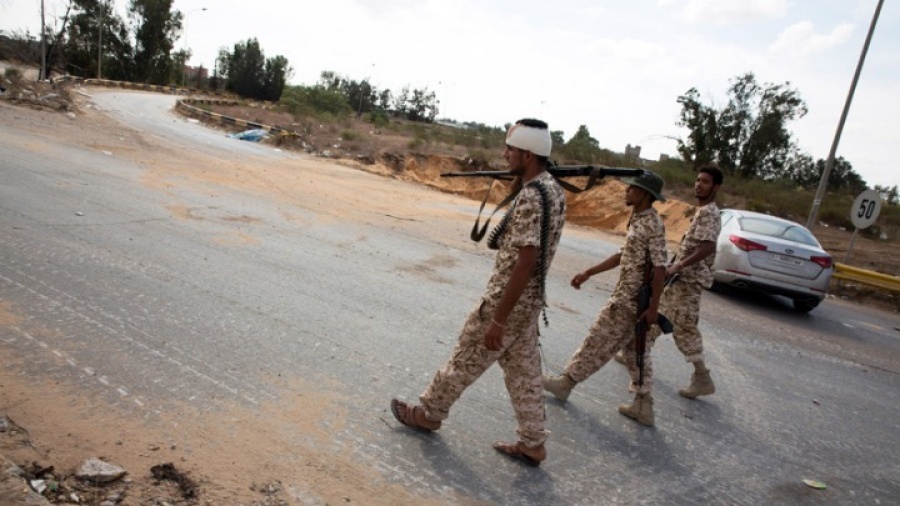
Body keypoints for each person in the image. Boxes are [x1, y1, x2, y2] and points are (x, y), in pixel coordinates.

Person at [389, 118, 567, 466]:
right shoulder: (553, 190)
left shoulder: (533, 196)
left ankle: (429, 413)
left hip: (507, 302)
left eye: (510, 149)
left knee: (465, 357)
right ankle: (533, 442)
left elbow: (526, 260)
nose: (504, 154)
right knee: (525, 375)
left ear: (528, 155)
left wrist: (498, 318)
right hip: (529, 303)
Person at [543, 171, 668, 426]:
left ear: (644, 194)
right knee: (635, 352)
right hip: (630, 297)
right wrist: (589, 271)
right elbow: (624, 254)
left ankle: (565, 384)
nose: (627, 191)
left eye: (632, 188)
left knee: (597, 339)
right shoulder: (639, 219)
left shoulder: (652, 224)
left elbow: (660, 268)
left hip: (630, 300)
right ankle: (644, 405)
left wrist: (653, 308)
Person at [626, 165, 723, 398]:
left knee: (684, 327)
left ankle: (702, 378)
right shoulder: (702, 211)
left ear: (716, 187)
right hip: (681, 278)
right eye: (698, 180)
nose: (699, 184)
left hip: (689, 280)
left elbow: (708, 246)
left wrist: (680, 265)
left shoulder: (709, 212)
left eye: (705, 182)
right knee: (658, 313)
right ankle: (635, 350)